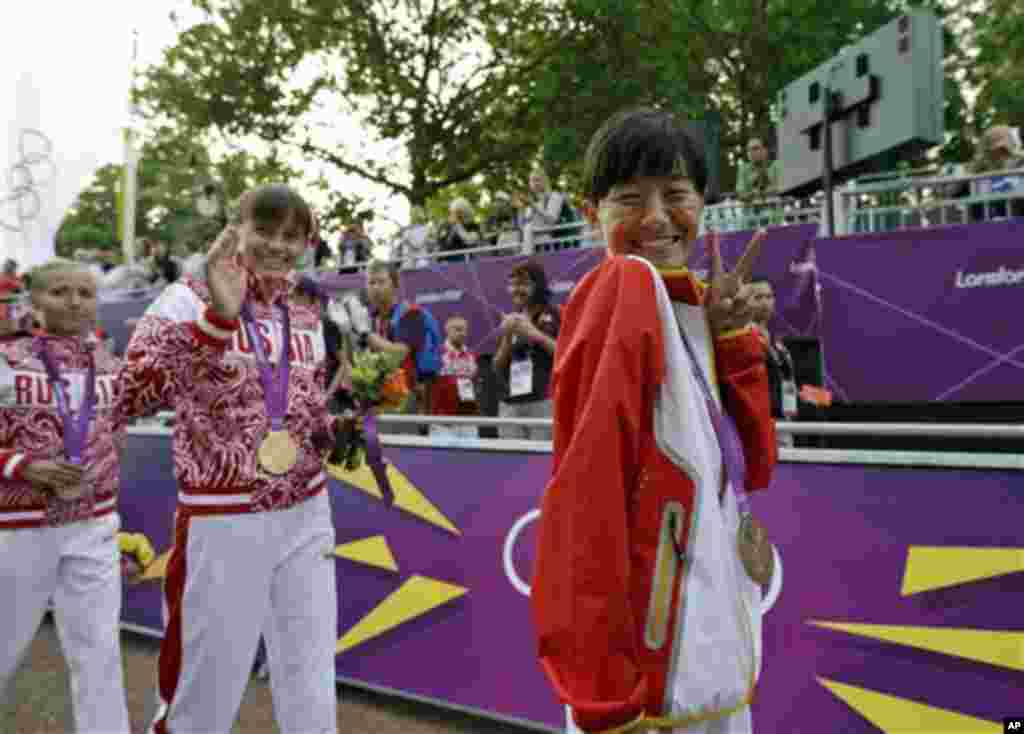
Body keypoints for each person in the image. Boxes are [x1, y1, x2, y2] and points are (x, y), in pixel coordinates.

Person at [531, 108, 777, 734]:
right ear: (592, 214)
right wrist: (601, 691)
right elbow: (585, 494)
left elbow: (756, 466)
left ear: (704, 202)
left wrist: (735, 344)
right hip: (647, 669)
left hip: (705, 642)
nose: (657, 218)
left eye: (675, 195)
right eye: (629, 199)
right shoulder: (623, 285)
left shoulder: (688, 304)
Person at [118, 184, 339, 734]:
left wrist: (329, 429)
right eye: (265, 230)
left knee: (311, 677)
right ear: (235, 229)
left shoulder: (306, 311)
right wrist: (217, 318)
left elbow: (298, 401)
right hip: (224, 516)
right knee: (205, 687)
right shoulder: (186, 296)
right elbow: (131, 395)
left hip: (307, 510)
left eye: (293, 236)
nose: (279, 246)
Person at [0, 259, 135, 733]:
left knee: (98, 651)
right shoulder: (7, 359)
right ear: (35, 300)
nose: (75, 302)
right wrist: (23, 466)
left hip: (93, 525)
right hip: (20, 526)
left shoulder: (113, 365)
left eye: (85, 293)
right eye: (59, 292)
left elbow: (114, 436)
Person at [361, 260, 433, 433]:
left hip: (404, 400)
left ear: (395, 285)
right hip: (374, 400)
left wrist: (364, 334)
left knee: (402, 456)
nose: (376, 288)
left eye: (381, 282)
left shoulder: (411, 314)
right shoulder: (368, 318)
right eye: (371, 283)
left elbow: (397, 354)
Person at [493, 262, 559, 441]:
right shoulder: (512, 318)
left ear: (538, 285)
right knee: (510, 464)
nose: (516, 289)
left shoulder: (554, 313)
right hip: (510, 404)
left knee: (540, 464)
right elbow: (497, 366)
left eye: (522, 284)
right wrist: (507, 336)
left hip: (542, 401)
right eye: (513, 284)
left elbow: (565, 354)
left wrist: (533, 333)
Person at [428, 315, 480, 440]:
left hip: (468, 419)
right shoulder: (436, 354)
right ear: (447, 330)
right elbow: (428, 386)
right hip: (443, 423)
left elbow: (475, 386)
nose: (462, 333)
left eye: (464, 330)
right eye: (457, 329)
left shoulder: (471, 355)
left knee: (472, 458)